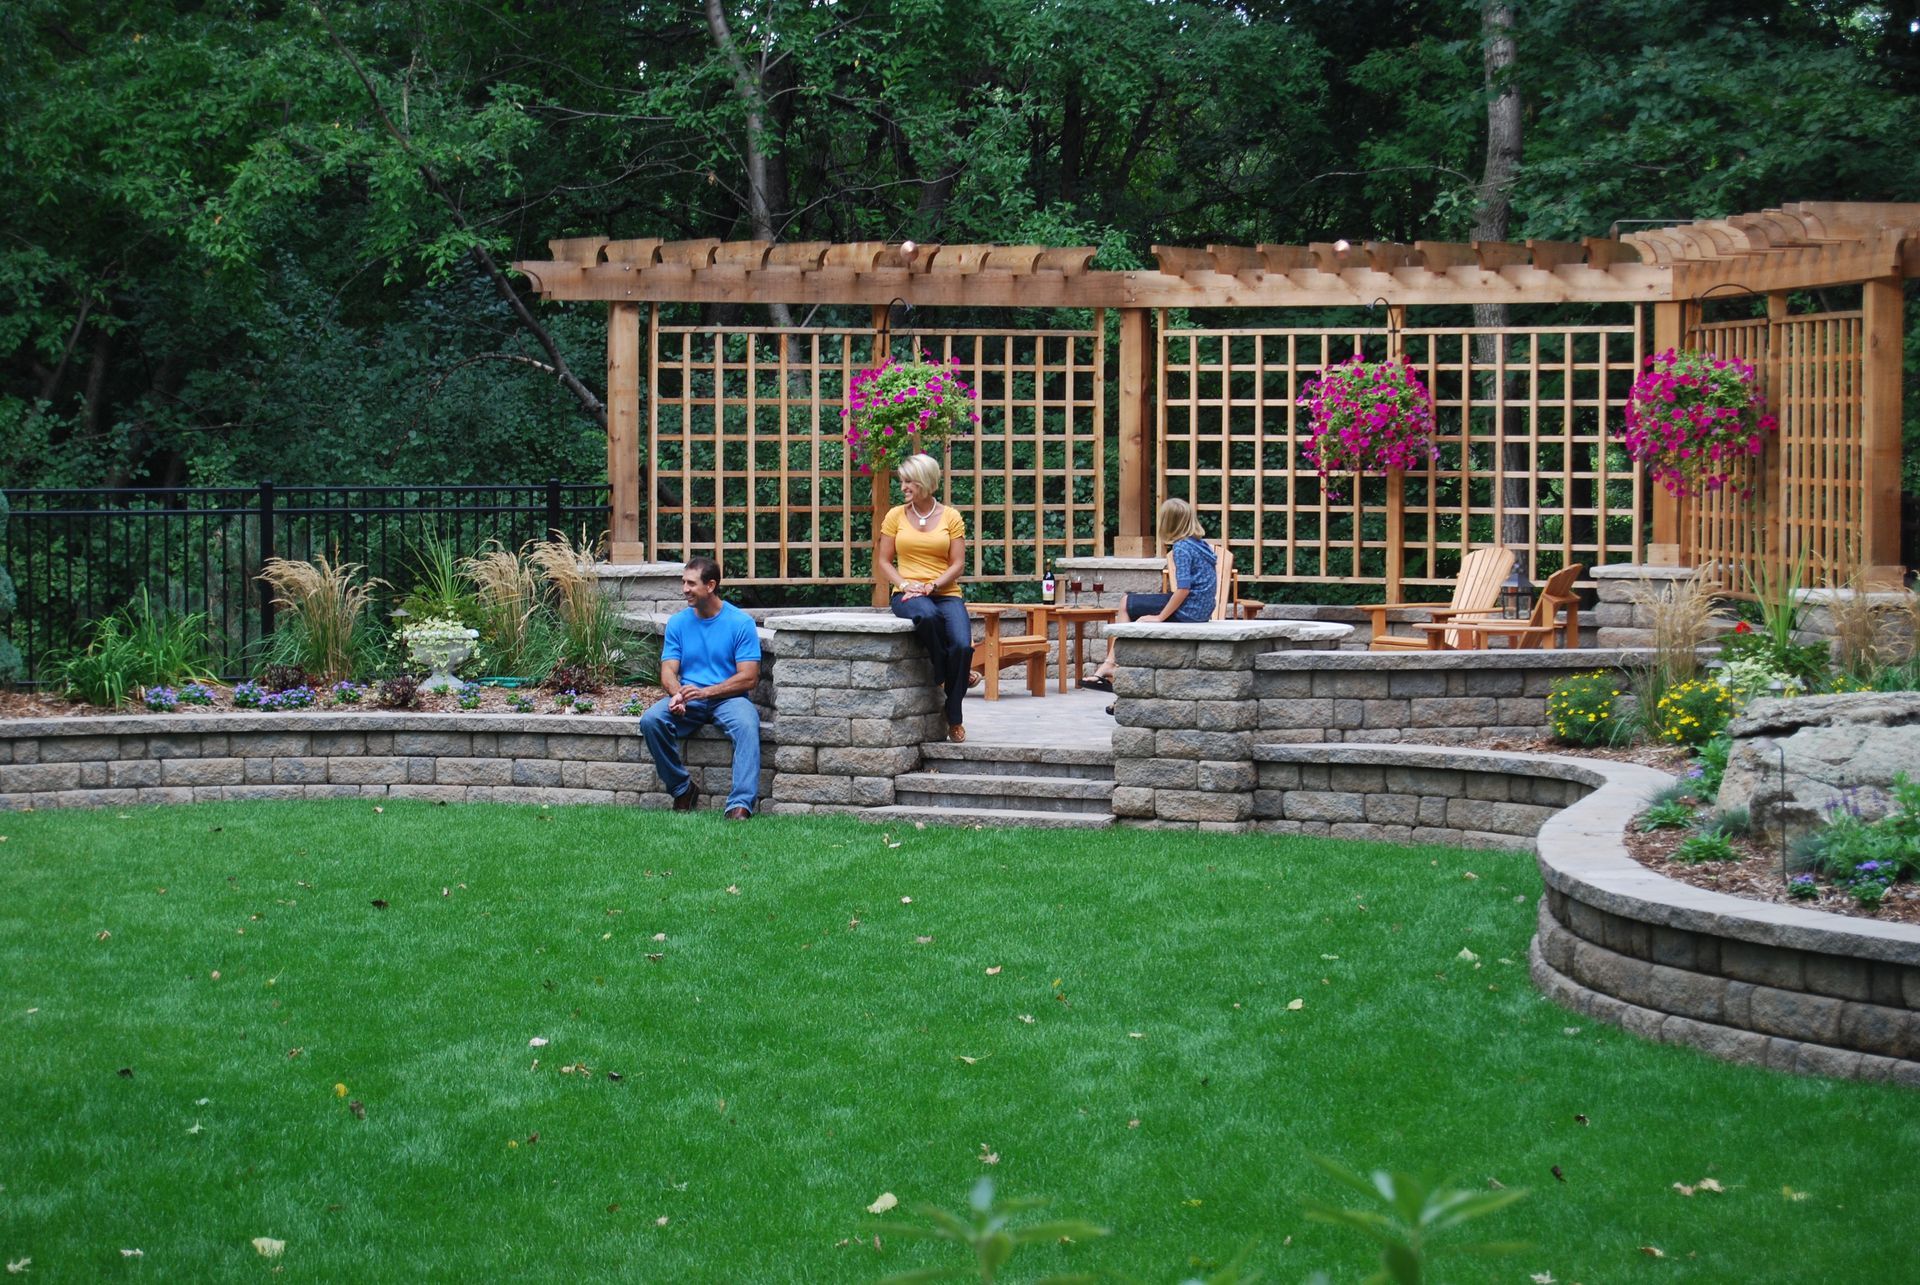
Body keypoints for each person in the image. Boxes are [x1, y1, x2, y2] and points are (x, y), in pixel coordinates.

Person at [639, 556, 763, 819]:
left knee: (747, 724)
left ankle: (739, 805)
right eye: (683, 582)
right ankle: (682, 789)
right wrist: (677, 694)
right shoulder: (678, 623)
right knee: (651, 720)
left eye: (691, 583)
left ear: (710, 586)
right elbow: (668, 670)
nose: (684, 589)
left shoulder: (740, 623)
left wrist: (706, 692)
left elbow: (749, 678)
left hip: (729, 699)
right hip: (689, 700)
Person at [876, 453, 975, 742]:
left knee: (962, 646)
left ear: (925, 482)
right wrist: (905, 584)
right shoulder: (895, 515)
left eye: (909, 481)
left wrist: (933, 584)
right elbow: (884, 561)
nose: (903, 486)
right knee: (926, 616)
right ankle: (953, 704)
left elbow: (957, 564)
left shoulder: (950, 516)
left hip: (945, 593)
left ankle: (951, 689)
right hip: (908, 595)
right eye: (902, 480)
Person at [1082, 497, 1217, 692]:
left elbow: (1184, 589)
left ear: (1168, 522)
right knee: (1133, 605)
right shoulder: (1200, 544)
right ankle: (1114, 669)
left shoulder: (1181, 548)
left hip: (1189, 609)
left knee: (1127, 602)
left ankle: (1112, 664)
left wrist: (1160, 617)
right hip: (1202, 610)